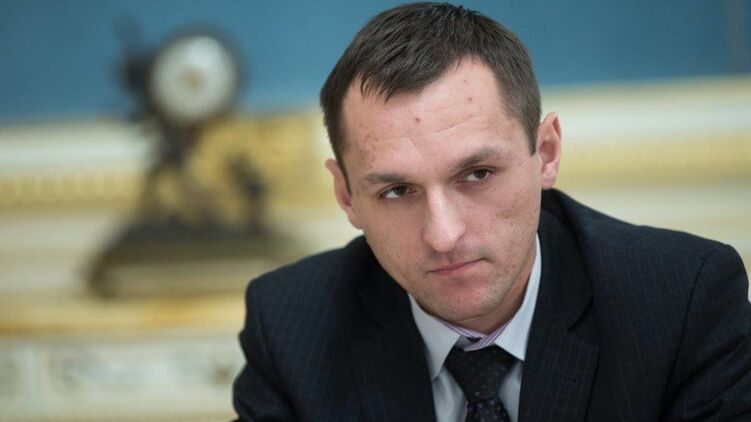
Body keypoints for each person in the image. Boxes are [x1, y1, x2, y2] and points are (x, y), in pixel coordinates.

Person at [232, 3, 751, 421]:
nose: (443, 235)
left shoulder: (682, 303)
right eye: (397, 190)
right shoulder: (292, 327)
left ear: (545, 153)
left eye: (477, 174)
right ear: (347, 196)